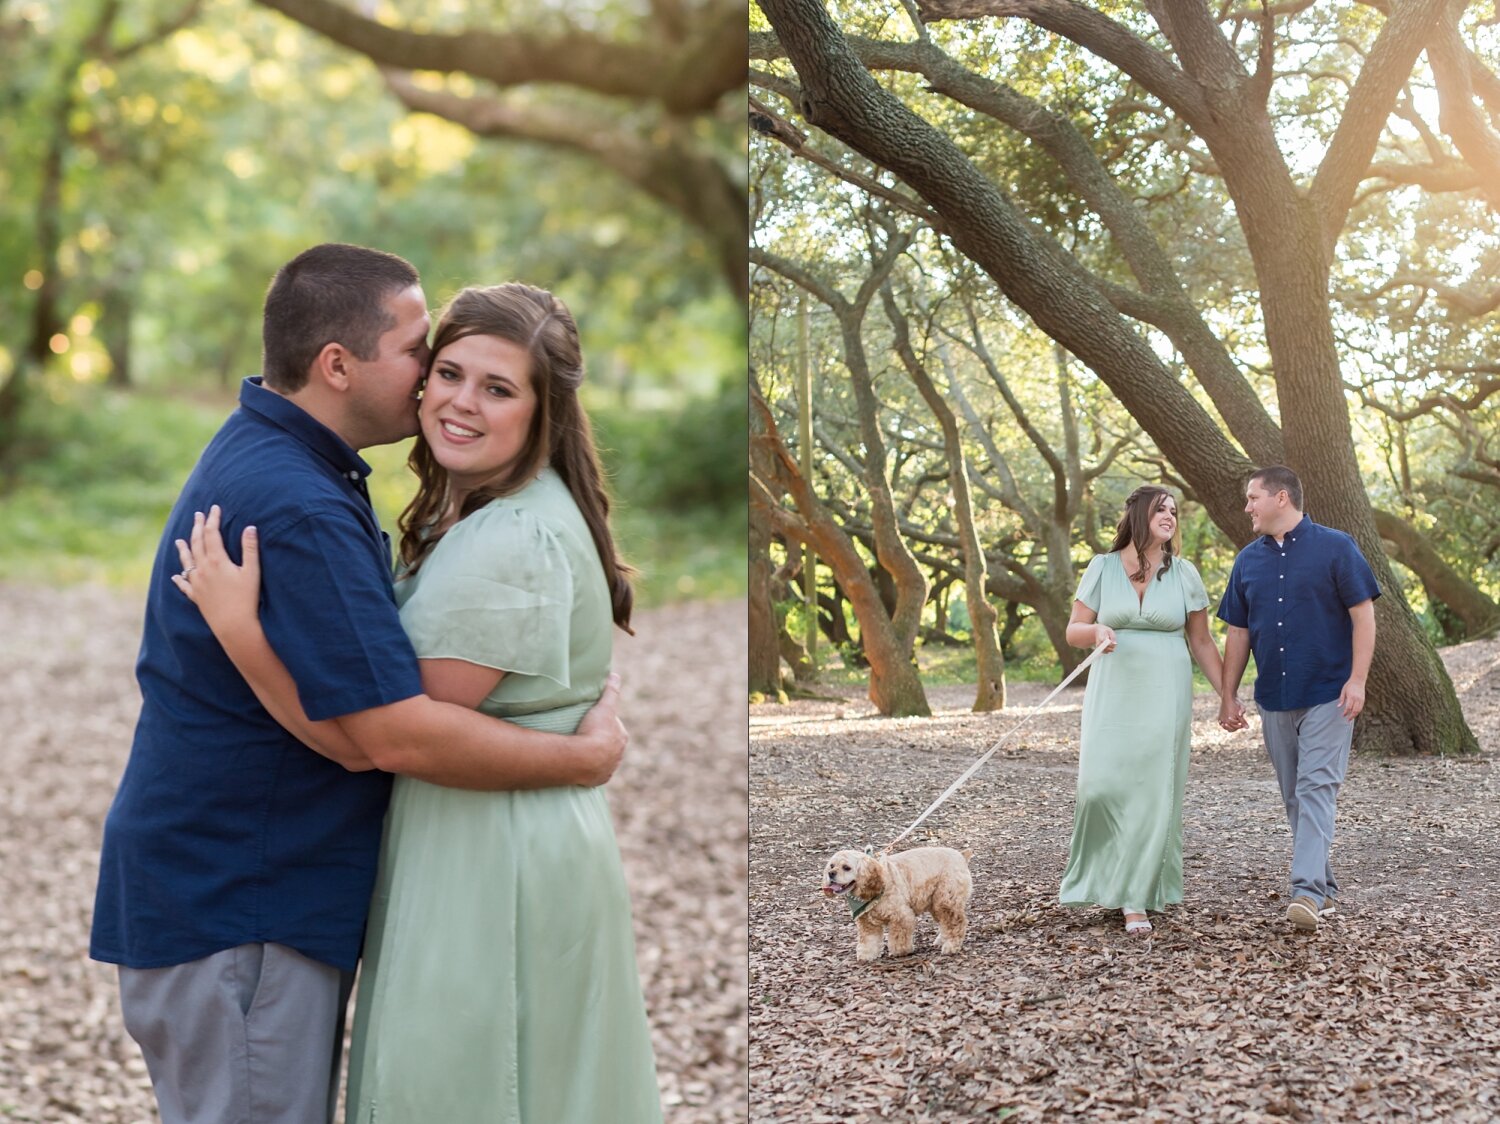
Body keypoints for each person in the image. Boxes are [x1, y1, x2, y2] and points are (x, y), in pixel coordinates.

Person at [90, 245, 628, 1124]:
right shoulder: (299, 503)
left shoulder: (278, 457)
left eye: (490, 383)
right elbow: (391, 734)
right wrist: (582, 758)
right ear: (338, 365)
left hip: (235, 894)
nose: (434, 382)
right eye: (425, 354)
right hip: (243, 905)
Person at [1058, 485, 1230, 935]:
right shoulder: (1101, 567)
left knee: (1152, 795)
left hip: (1165, 693)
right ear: (1138, 514)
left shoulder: (1185, 573)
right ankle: (1105, 880)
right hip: (1112, 692)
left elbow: (1201, 641)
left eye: (1174, 510)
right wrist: (1096, 631)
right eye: (1161, 509)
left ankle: (1135, 897)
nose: (1170, 516)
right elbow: (1074, 629)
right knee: (1099, 788)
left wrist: (1227, 695)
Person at [1216, 465, 1378, 933]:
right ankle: (1323, 887)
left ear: (1281, 498)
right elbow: (1238, 632)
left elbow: (1363, 616)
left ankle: (1305, 890)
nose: (1247, 507)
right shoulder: (1248, 560)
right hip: (1275, 697)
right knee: (1294, 795)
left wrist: (1358, 680)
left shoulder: (1336, 547)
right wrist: (1228, 695)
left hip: (1330, 692)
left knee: (1315, 789)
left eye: (1253, 498)